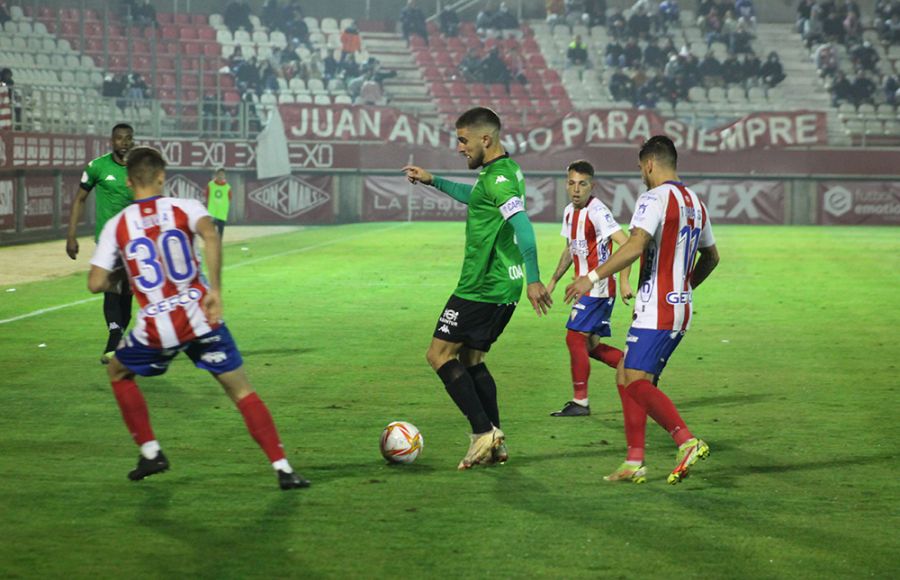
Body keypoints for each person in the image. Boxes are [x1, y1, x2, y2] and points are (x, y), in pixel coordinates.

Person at [87, 146, 309, 490]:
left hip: (156, 326)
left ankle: (150, 451)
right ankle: (283, 468)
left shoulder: (118, 225)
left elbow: (95, 283)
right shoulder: (185, 207)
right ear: (162, 176)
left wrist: (123, 272)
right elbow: (209, 234)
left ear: (130, 182)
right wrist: (216, 289)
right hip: (200, 315)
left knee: (118, 371)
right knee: (241, 391)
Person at [402, 107, 553, 470]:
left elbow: (524, 227)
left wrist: (535, 278)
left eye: (463, 140)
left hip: (481, 287)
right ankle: (496, 442)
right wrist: (432, 179)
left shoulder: (499, 179)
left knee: (438, 355)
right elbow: (477, 198)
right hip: (502, 288)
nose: (459, 148)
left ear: (486, 139)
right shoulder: (505, 171)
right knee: (472, 360)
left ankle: (482, 432)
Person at [565, 135, 719, 485]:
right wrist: (684, 288)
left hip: (656, 311)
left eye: (640, 168)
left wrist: (592, 277)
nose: (641, 175)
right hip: (678, 307)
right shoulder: (696, 202)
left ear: (649, 164)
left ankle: (686, 440)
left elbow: (636, 244)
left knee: (635, 382)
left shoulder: (653, 198)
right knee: (625, 375)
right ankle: (634, 460)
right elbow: (712, 256)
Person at [546, 160, 633, 417]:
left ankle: (580, 402)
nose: (576, 189)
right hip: (584, 289)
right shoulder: (569, 212)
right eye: (571, 183)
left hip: (598, 287)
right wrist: (553, 281)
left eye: (582, 184)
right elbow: (569, 249)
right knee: (590, 346)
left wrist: (626, 280)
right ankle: (639, 370)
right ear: (566, 185)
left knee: (574, 338)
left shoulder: (597, 211)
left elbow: (626, 244)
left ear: (591, 186)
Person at [66, 124, 136, 365]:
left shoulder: (139, 169)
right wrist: (71, 235)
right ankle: (114, 337)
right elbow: (80, 199)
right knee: (110, 287)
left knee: (127, 294)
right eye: (119, 139)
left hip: (135, 242)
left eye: (128, 139)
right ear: (112, 141)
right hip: (108, 241)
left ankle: (118, 339)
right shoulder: (97, 166)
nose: (124, 143)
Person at [205, 167, 232, 238]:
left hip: (222, 214)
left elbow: (229, 198)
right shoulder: (210, 185)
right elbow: (207, 196)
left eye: (222, 174)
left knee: (220, 233)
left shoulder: (227, 187)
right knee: (210, 232)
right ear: (216, 175)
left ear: (224, 176)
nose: (220, 176)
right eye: (219, 174)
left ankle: (218, 247)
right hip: (212, 213)